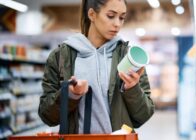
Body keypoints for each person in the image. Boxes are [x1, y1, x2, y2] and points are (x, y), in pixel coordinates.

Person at [38, 0, 154, 134]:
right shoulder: (61, 57)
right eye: (111, 16)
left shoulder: (128, 58)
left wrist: (133, 89)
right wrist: (70, 94)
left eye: (122, 17)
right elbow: (47, 116)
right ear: (92, 14)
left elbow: (143, 115)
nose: (117, 24)